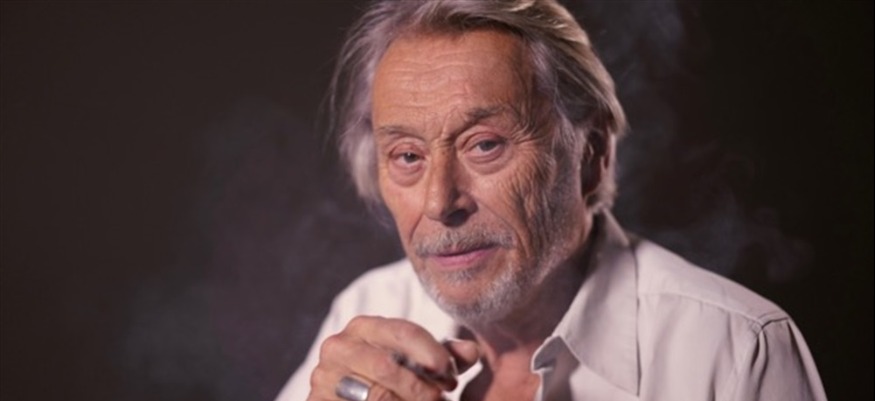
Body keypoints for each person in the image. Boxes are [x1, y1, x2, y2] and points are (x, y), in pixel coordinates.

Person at [276, 1, 827, 400]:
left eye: (485, 145)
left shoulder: (735, 350)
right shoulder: (367, 309)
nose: (441, 202)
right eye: (407, 156)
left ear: (592, 154)